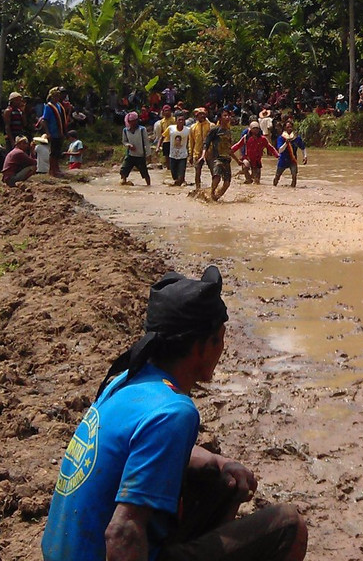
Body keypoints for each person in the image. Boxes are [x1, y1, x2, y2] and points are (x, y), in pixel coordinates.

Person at [41, 266, 307, 561]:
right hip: (107, 551)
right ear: (201, 347)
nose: (222, 349)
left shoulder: (126, 379)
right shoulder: (174, 412)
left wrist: (221, 462)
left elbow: (146, 446)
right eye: (219, 339)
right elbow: (122, 532)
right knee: (287, 524)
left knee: (218, 482)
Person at [202, 110, 240, 201]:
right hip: (216, 158)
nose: (227, 117)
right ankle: (211, 193)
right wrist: (203, 154)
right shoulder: (215, 130)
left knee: (227, 183)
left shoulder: (228, 132)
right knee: (217, 177)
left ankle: (216, 198)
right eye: (225, 116)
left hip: (226, 159)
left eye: (228, 116)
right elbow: (206, 143)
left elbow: (229, 149)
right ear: (220, 118)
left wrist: (237, 160)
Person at [41, 86, 69, 177]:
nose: (57, 98)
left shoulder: (59, 106)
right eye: (56, 96)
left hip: (59, 132)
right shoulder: (48, 106)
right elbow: (44, 120)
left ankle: (57, 168)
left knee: (57, 152)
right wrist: (48, 133)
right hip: (53, 132)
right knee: (53, 152)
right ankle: (52, 170)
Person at [121, 111, 152, 186]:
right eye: (130, 122)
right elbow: (124, 141)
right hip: (130, 155)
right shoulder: (125, 130)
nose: (132, 123)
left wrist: (149, 154)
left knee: (145, 173)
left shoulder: (142, 130)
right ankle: (124, 181)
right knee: (124, 170)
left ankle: (149, 186)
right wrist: (128, 145)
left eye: (134, 121)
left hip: (140, 155)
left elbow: (146, 143)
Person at [273, 119, 308, 187]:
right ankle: (274, 187)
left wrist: (305, 156)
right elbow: (280, 150)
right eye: (288, 127)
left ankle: (293, 188)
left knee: (294, 175)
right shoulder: (281, 138)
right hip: (283, 160)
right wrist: (286, 143)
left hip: (292, 160)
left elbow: (303, 148)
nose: (289, 128)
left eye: (291, 127)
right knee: (277, 176)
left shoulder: (296, 138)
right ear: (285, 128)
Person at [189, 108, 213, 191]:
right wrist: (190, 155)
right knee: (197, 172)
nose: (202, 116)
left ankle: (213, 189)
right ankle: (198, 189)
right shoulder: (193, 127)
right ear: (196, 116)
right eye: (200, 114)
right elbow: (191, 142)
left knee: (213, 171)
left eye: (203, 114)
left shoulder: (211, 125)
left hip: (210, 152)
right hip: (197, 152)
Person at [167, 113, 191, 186]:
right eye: (179, 120)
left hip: (183, 156)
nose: (181, 121)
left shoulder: (188, 130)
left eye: (182, 120)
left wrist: (190, 152)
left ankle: (181, 185)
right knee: (174, 175)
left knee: (181, 173)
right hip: (172, 155)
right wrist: (158, 146)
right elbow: (163, 136)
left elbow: (191, 141)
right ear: (176, 121)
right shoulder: (171, 128)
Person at [154, 105, 176, 171]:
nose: (167, 112)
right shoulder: (161, 122)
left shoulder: (174, 120)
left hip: (174, 141)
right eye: (165, 111)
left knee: (175, 158)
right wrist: (158, 147)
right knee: (167, 158)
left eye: (168, 111)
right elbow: (161, 134)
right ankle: (168, 171)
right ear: (163, 112)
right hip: (166, 141)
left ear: (170, 111)